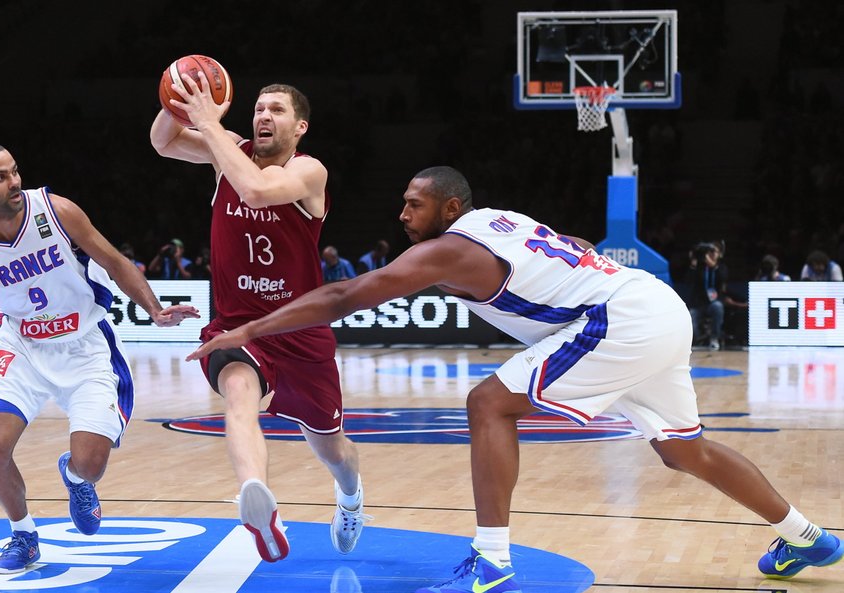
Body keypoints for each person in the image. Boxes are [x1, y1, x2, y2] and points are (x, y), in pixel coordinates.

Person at [188, 166, 843, 591]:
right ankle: (806, 537)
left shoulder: (451, 247)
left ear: (450, 206)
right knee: (683, 449)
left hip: (620, 318)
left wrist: (246, 330)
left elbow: (346, 296)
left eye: (415, 204)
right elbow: (573, 240)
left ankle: (493, 560)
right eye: (403, 204)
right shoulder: (501, 220)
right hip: (653, 305)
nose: (403, 213)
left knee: (488, 403)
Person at [0, 142, 200, 574]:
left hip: (84, 344)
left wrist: (154, 309)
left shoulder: (57, 211)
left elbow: (115, 262)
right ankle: (23, 536)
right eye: (0, 177)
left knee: (91, 463)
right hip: (21, 347)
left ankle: (78, 478)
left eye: (14, 171)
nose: (14, 183)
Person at [149, 72, 366, 561]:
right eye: (259, 108)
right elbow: (162, 143)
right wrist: (179, 95)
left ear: (300, 126)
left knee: (332, 449)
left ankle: (350, 497)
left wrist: (210, 129)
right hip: (237, 323)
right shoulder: (228, 149)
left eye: (277, 110)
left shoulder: (310, 171)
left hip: (299, 330)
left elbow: (256, 191)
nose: (263, 115)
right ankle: (257, 500)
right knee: (239, 392)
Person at [684, 242, 728, 350]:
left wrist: (712, 265)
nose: (711, 254)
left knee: (718, 307)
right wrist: (693, 264)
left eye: (714, 252)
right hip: (699, 303)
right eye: (709, 252)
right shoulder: (700, 268)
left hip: (713, 302)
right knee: (691, 314)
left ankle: (714, 338)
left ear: (719, 254)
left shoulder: (721, 268)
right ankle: (696, 340)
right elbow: (688, 281)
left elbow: (723, 278)